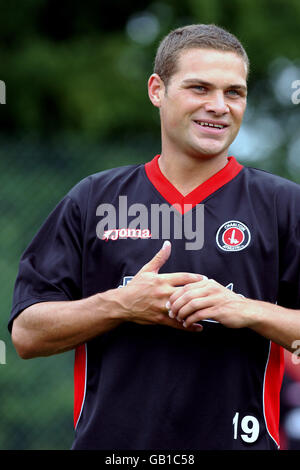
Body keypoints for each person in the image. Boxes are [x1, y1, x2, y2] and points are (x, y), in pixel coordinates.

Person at [9, 24, 300, 450]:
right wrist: (121, 304)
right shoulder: (93, 199)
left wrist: (248, 310)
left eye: (233, 93)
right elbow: (27, 335)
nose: (219, 106)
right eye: (199, 88)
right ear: (156, 90)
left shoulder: (284, 205)